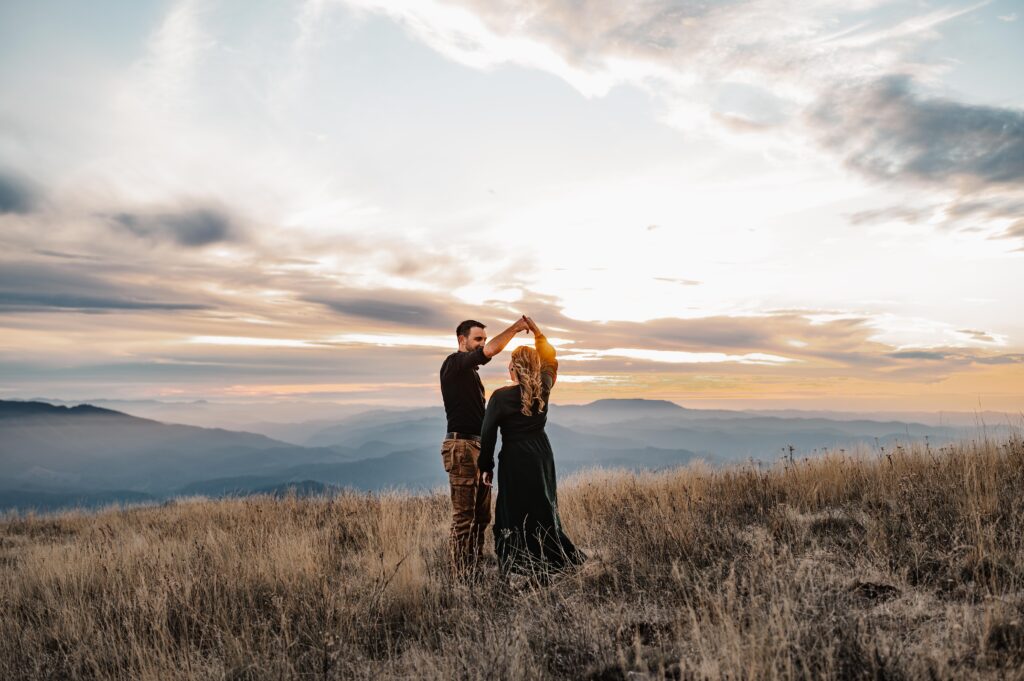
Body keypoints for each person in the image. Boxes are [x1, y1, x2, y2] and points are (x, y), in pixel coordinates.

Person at [478, 316, 586, 580]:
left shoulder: (500, 397)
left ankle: (518, 562)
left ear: (514, 368)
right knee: (542, 504)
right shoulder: (544, 388)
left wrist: (486, 467)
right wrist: (538, 332)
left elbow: (487, 434)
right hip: (540, 454)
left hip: (514, 458)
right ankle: (552, 555)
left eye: (510, 365)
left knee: (513, 508)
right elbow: (550, 360)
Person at [439, 316, 530, 578]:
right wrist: (515, 328)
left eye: (483, 339)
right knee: (463, 518)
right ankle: (459, 575)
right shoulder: (454, 364)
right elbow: (487, 353)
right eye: (477, 339)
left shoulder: (470, 374)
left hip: (477, 448)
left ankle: (474, 568)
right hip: (461, 447)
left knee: (482, 518)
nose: (482, 344)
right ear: (461, 340)